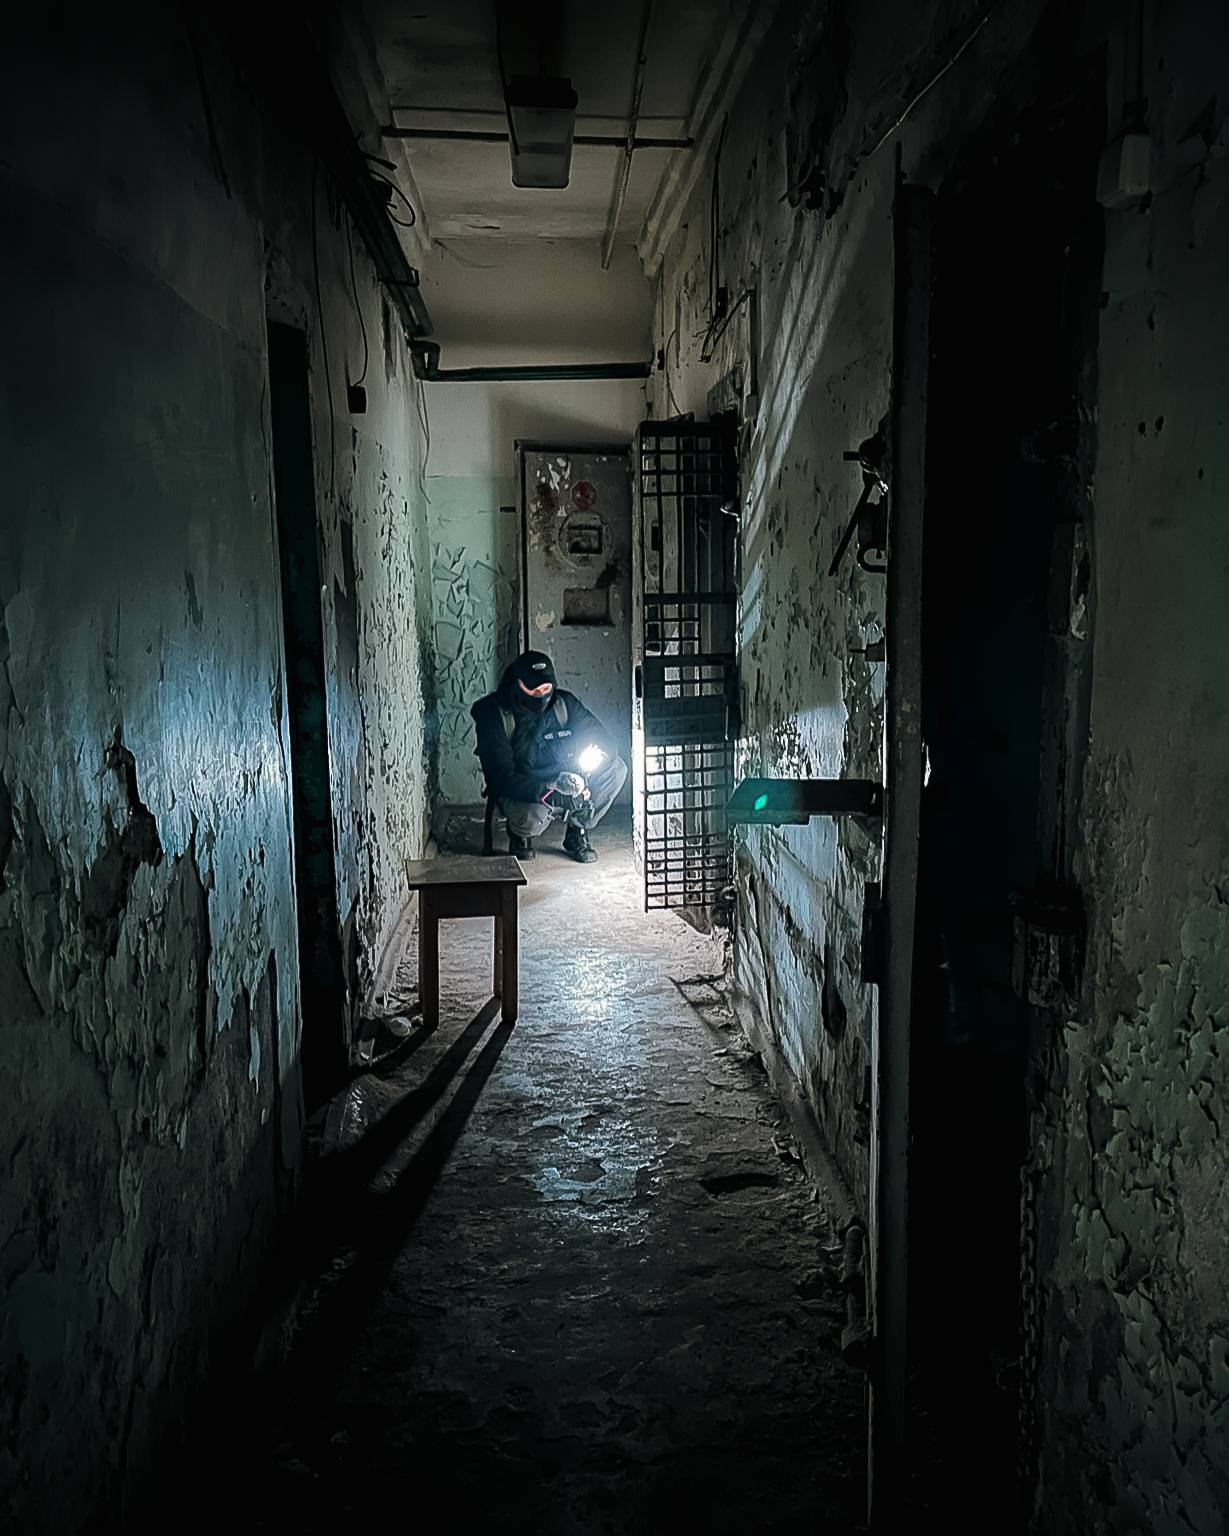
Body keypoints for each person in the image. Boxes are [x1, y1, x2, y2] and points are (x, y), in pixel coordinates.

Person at [471, 650, 628, 863]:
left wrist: (585, 775)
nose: (541, 694)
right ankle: (521, 834)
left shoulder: (564, 704)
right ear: (517, 683)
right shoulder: (493, 712)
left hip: (567, 777)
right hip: (526, 787)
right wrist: (546, 793)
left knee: (617, 769)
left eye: (545, 688)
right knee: (529, 816)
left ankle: (577, 830)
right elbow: (500, 776)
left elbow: (604, 740)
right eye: (533, 689)